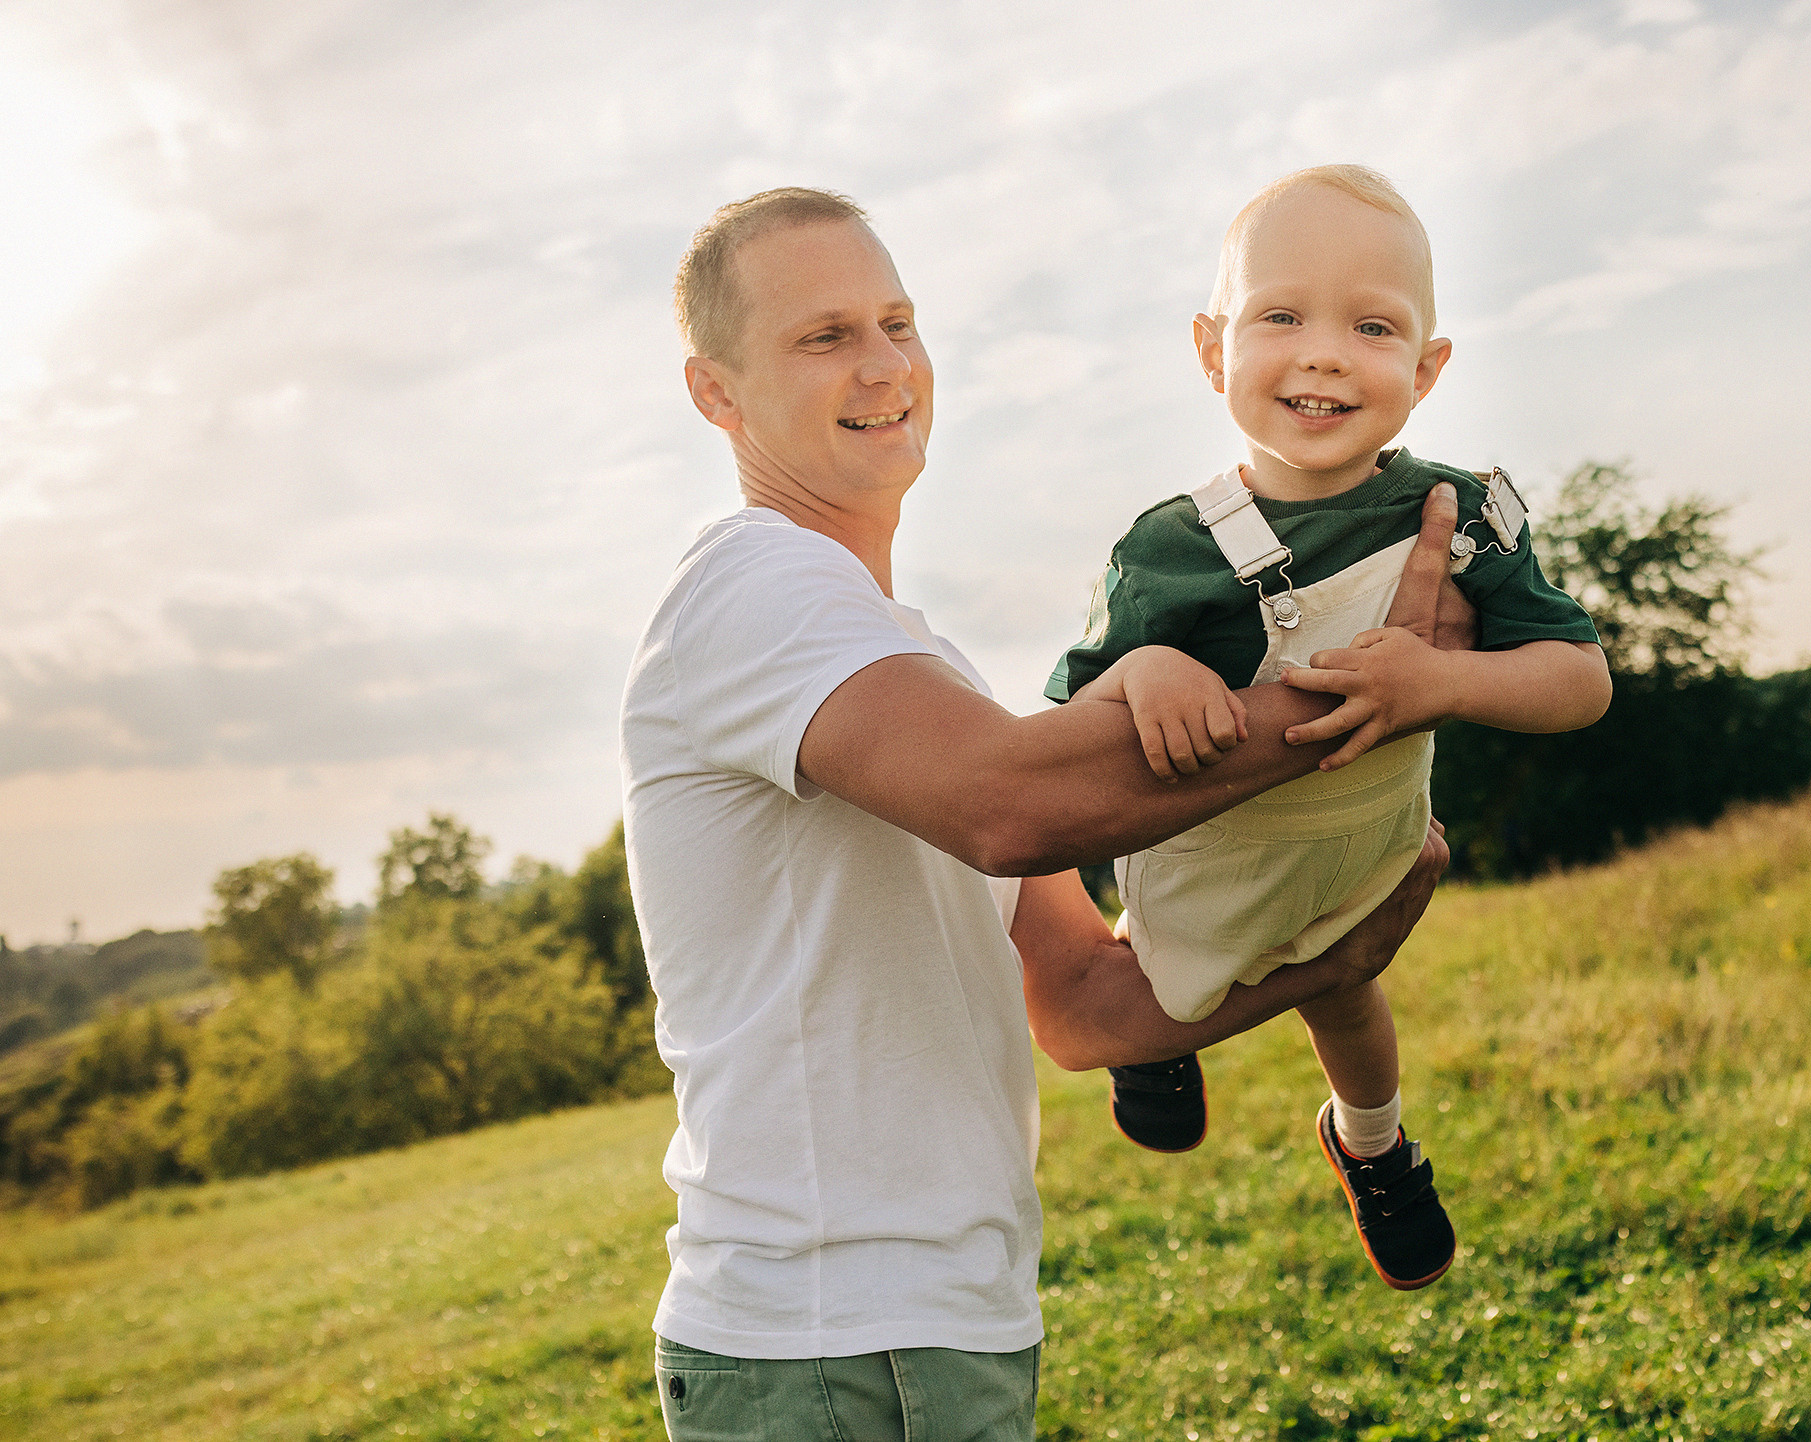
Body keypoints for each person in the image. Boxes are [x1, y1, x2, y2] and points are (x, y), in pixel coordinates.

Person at [622, 186, 1472, 1442]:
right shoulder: (749, 581)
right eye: (823, 336)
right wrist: (1359, 687)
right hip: (810, 1345)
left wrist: (1326, 963)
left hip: (964, 1320)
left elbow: (1085, 1007)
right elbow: (1007, 805)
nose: (882, 366)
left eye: (897, 323)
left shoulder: (929, 669)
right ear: (717, 392)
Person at [1046, 165, 1611, 1291]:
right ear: (1213, 351)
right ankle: (1150, 1051)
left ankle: (1374, 1146)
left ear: (1425, 366)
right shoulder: (1167, 548)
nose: (1322, 351)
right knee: (1161, 975)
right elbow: (1067, 724)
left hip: (1358, 851)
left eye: (1371, 324)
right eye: (1279, 315)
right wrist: (1150, 669)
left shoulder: (1457, 517)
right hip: (1206, 860)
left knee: (1344, 990)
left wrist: (1442, 685)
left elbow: (1578, 679)